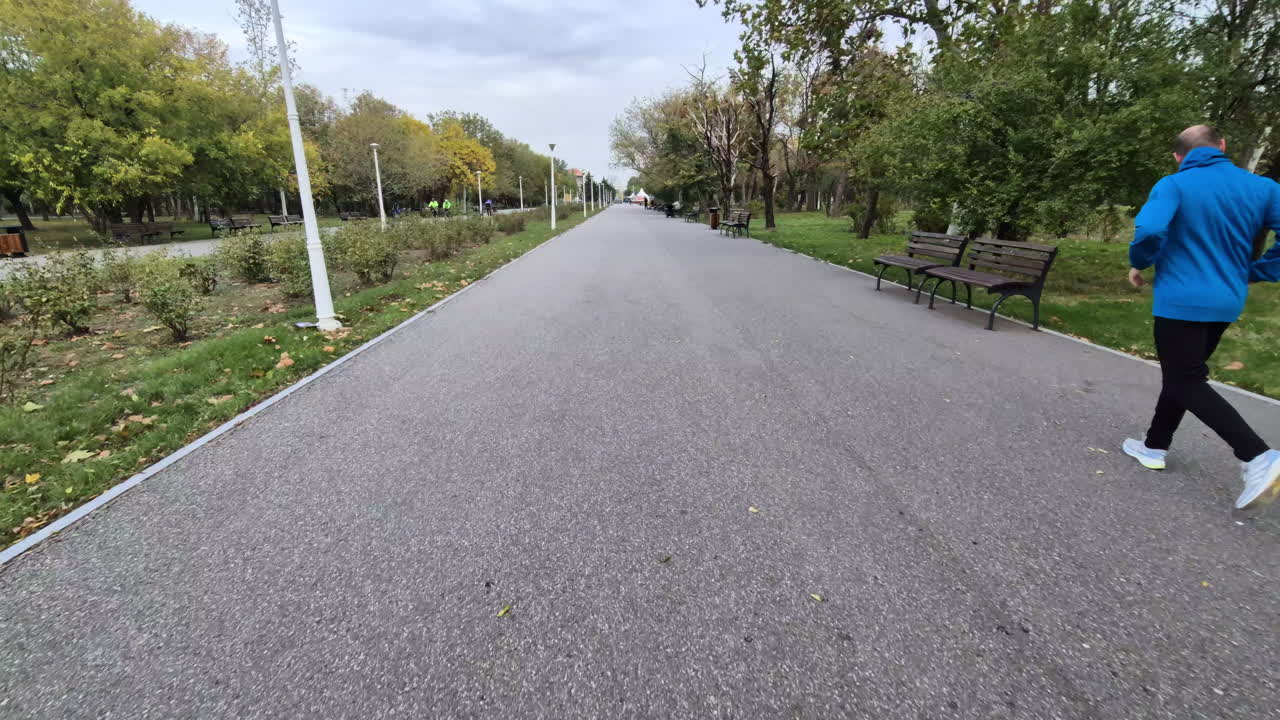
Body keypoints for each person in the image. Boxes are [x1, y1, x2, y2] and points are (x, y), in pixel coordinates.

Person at [1123, 124, 1280, 510]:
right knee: (1184, 373)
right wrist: (1256, 270)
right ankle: (1155, 446)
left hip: (1181, 300)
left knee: (1185, 376)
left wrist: (1139, 263)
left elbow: (1150, 230)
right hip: (1226, 299)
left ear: (1179, 156)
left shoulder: (1174, 184)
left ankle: (1257, 456)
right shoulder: (1264, 188)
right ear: (1222, 145)